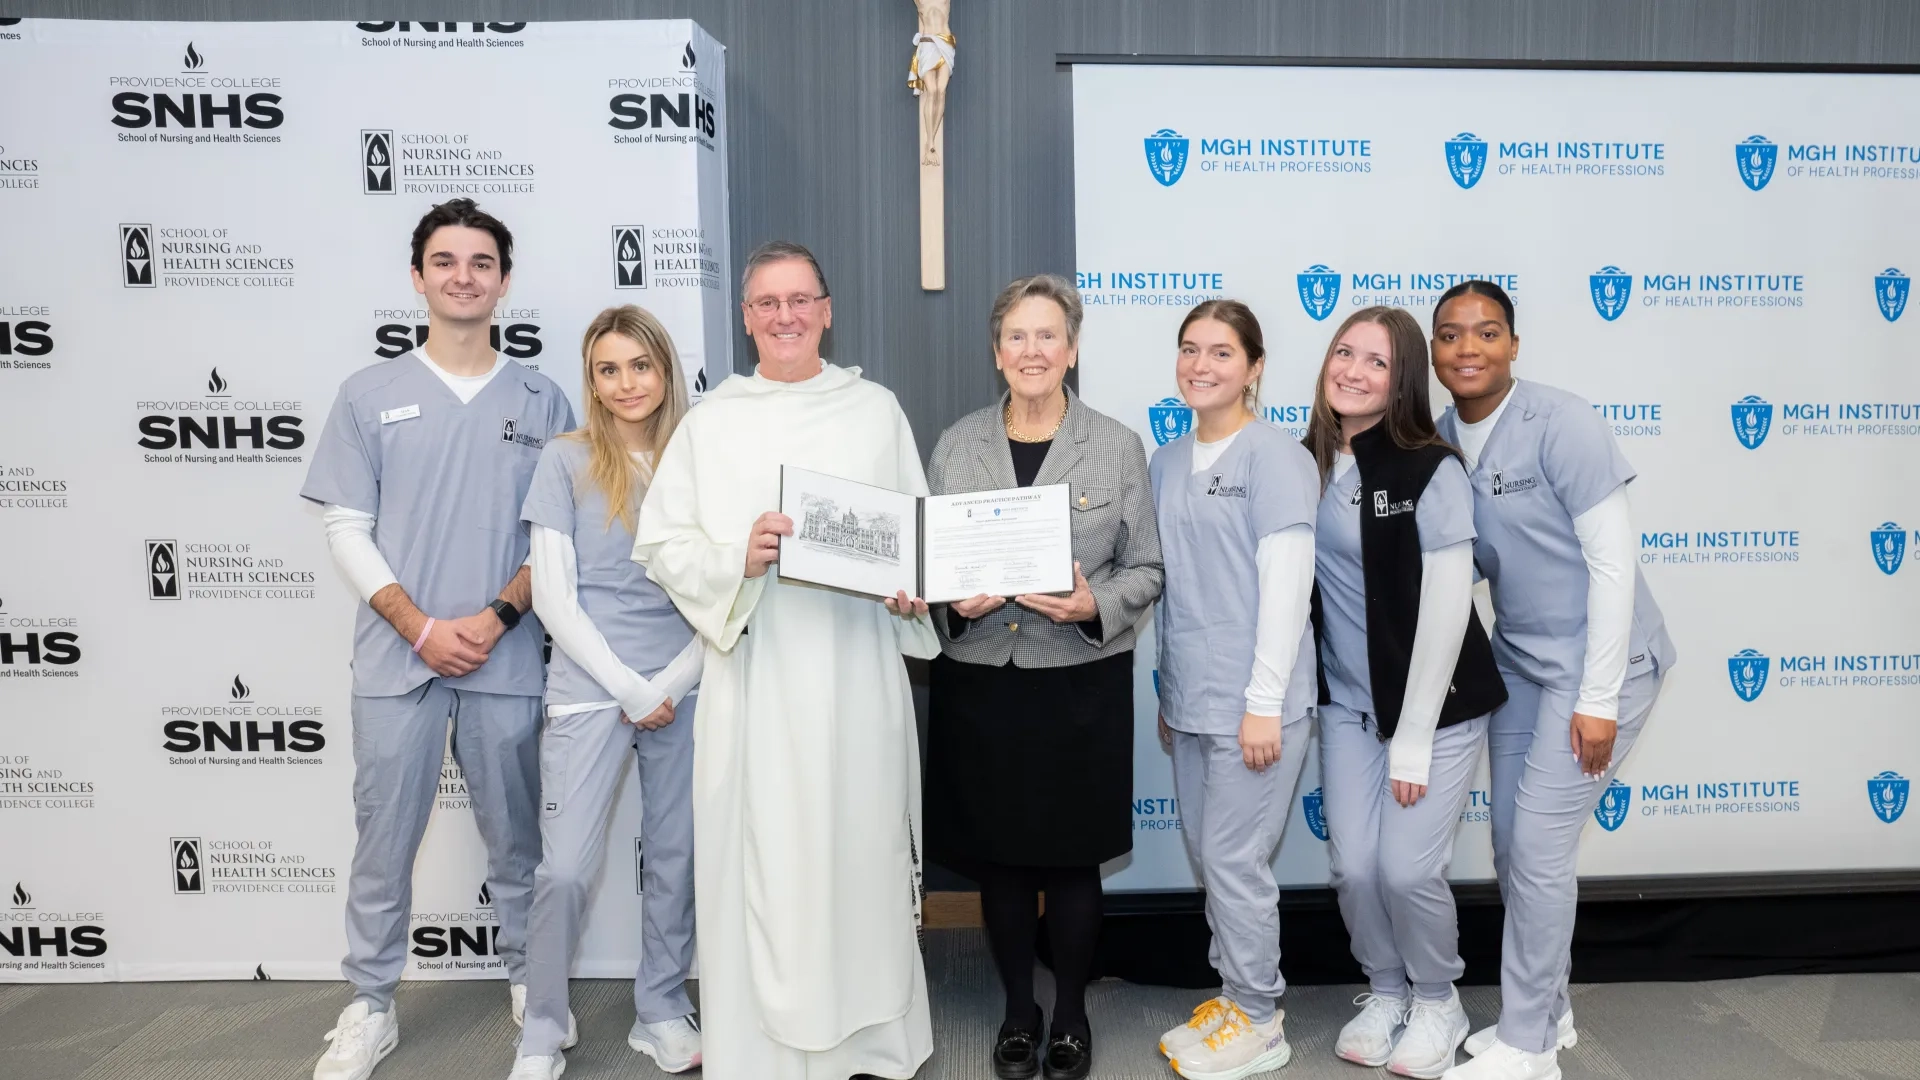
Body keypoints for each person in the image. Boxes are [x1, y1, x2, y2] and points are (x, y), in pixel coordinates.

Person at [632, 241, 940, 1080]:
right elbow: (661, 543)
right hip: (757, 678)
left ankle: (873, 1039)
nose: (785, 317)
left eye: (800, 299)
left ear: (828, 309)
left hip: (856, 673)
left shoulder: (875, 411)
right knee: (765, 859)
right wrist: (742, 553)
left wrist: (911, 588)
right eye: (767, 303)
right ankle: (763, 1051)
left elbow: (916, 540)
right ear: (745, 318)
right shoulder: (711, 421)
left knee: (861, 846)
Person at [302, 198, 574, 1080]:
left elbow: (556, 542)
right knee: (383, 839)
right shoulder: (367, 395)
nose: (464, 275)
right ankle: (370, 1004)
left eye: (482, 261)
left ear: (504, 281)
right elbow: (347, 528)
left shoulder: (543, 398)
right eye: (446, 261)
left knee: (518, 843)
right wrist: (418, 626)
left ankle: (535, 991)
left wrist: (494, 619)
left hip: (504, 653)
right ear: (418, 278)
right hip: (397, 661)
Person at [1431, 282, 1674, 1080]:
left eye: (1487, 333)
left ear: (1513, 345)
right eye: (1451, 335)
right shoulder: (1440, 438)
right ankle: (1551, 1007)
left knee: (1537, 847)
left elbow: (1612, 564)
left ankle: (1529, 1046)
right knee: (1511, 842)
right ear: (1433, 352)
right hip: (1521, 662)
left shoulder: (1561, 422)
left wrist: (1597, 700)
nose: (1469, 348)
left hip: (1600, 666)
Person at [924, 273, 1164, 1080]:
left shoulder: (1117, 444)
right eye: (1016, 337)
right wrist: (952, 604)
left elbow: (1149, 568)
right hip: (983, 677)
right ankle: (1018, 1012)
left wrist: (1096, 601)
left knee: (1071, 859)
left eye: (1047, 335)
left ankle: (1069, 1014)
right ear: (996, 352)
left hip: (1078, 681)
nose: (1032, 350)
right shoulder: (957, 444)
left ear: (1072, 347)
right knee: (1000, 860)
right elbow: (928, 569)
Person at [1305, 306, 1505, 1080]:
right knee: (1354, 867)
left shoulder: (1431, 466)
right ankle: (1386, 990)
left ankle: (1437, 997)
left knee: (1407, 870)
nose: (1353, 371)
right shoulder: (1307, 460)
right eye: (1343, 353)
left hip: (1437, 706)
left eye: (1377, 362)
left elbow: (1453, 601)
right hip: (1349, 707)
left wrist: (1415, 732)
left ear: (1402, 383)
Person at [507, 305, 704, 1080]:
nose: (627, 384)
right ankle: (542, 1031)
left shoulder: (700, 460)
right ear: (591, 380)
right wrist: (628, 687)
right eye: (607, 369)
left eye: (641, 365)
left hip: (686, 685)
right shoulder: (565, 459)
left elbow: (724, 593)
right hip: (592, 690)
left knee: (676, 857)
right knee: (562, 871)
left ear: (665, 370)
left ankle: (660, 1007)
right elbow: (553, 596)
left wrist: (671, 681)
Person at [1147, 301, 1318, 1080]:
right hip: (1191, 696)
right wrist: (1168, 693)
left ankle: (1259, 1016)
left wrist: (1262, 703)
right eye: (1190, 349)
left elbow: (1286, 591)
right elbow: (1175, 591)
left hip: (1259, 703)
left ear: (1254, 368)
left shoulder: (1277, 458)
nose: (1201, 366)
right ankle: (1232, 993)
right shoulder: (1166, 459)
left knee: (1234, 858)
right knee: (1207, 855)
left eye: (1221, 352)